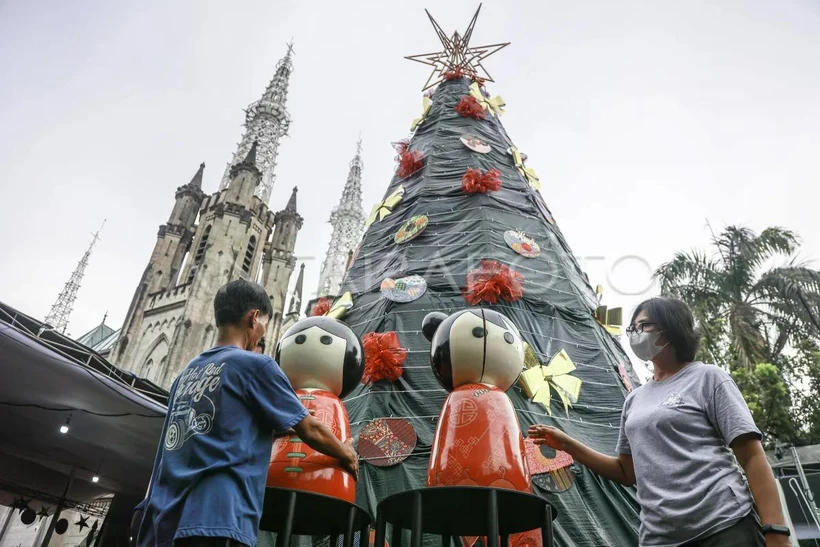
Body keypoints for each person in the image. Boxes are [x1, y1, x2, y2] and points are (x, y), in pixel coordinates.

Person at [529, 296, 791, 547]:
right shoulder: (634, 400)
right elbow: (625, 472)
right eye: (632, 328)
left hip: (724, 526)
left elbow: (752, 458)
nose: (635, 334)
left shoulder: (708, 378)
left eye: (644, 326)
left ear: (671, 328)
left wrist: (776, 531)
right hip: (660, 538)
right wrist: (568, 445)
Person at [137, 279, 359, 547]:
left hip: (164, 518)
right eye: (264, 323)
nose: (263, 333)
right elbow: (309, 428)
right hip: (218, 517)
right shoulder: (255, 365)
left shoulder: (185, 376)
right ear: (254, 318)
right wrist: (346, 451)